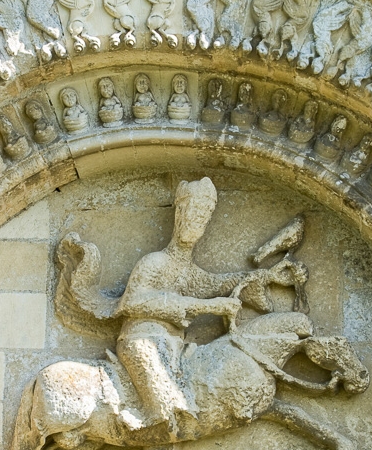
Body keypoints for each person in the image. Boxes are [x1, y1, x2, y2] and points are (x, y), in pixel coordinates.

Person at [113, 178, 271, 436]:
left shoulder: (187, 272)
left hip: (174, 346)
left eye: (202, 217)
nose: (194, 222)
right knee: (166, 409)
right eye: (190, 213)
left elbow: (218, 283)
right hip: (142, 341)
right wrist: (207, 306)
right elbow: (132, 301)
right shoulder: (155, 262)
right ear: (178, 215)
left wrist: (268, 276)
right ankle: (137, 420)